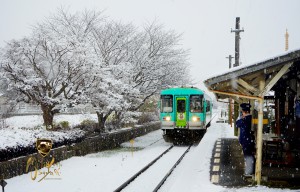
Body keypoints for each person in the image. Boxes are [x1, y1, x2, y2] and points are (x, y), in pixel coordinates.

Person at [236, 103, 255, 176]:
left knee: (248, 156)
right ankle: (249, 171)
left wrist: (240, 117)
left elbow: (237, 124)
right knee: (248, 156)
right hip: (247, 140)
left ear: (245, 112)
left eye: (242, 112)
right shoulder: (247, 118)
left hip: (246, 141)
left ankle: (249, 171)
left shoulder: (246, 119)